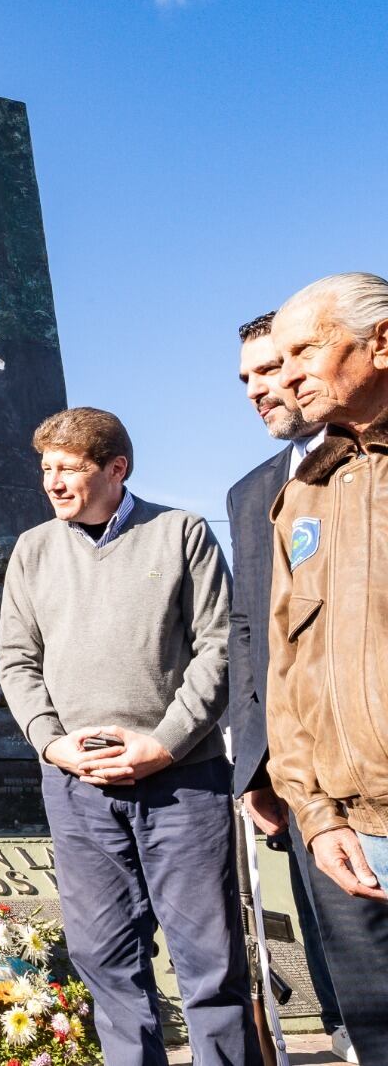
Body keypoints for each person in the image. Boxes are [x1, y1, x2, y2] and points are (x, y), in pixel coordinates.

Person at [0, 407, 259, 1066]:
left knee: (209, 961)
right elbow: (16, 660)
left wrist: (165, 743)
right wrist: (50, 742)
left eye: (68, 468)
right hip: (76, 786)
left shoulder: (181, 532)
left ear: (116, 469)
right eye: (46, 468)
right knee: (104, 957)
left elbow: (220, 648)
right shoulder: (33, 549)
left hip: (182, 781)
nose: (52, 482)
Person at [266, 272, 388, 1062]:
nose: (289, 376)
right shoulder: (302, 498)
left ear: (380, 342)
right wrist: (316, 816)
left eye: (306, 351)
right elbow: (289, 674)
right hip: (351, 837)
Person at [224, 310, 347, 1054]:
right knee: (347, 981)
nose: (258, 389)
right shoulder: (250, 493)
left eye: (271, 369)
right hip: (305, 783)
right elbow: (248, 631)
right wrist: (257, 767)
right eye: (246, 379)